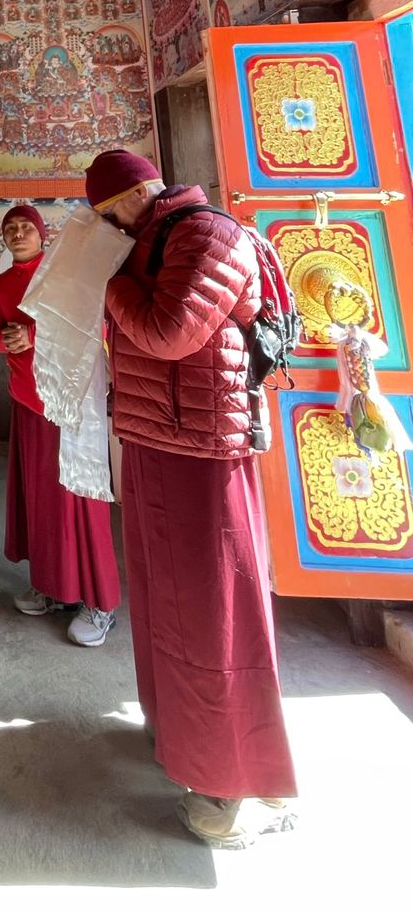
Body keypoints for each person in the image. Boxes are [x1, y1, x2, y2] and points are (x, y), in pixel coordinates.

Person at [84, 148, 297, 849]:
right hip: (158, 437)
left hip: (203, 449)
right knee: (163, 604)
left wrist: (105, 283)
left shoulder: (208, 235)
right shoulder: (153, 237)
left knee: (211, 615)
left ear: (132, 196)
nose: (110, 226)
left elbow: (169, 334)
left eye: (107, 213)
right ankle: (181, 739)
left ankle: (228, 786)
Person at [0, 204, 121, 647]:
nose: (18, 233)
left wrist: (33, 336)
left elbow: (91, 327)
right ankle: (51, 587)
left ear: (42, 235)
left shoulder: (62, 276)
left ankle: (100, 603)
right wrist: (6, 340)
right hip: (27, 402)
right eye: (10, 228)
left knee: (79, 501)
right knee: (41, 502)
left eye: (26, 227)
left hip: (67, 404)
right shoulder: (3, 284)